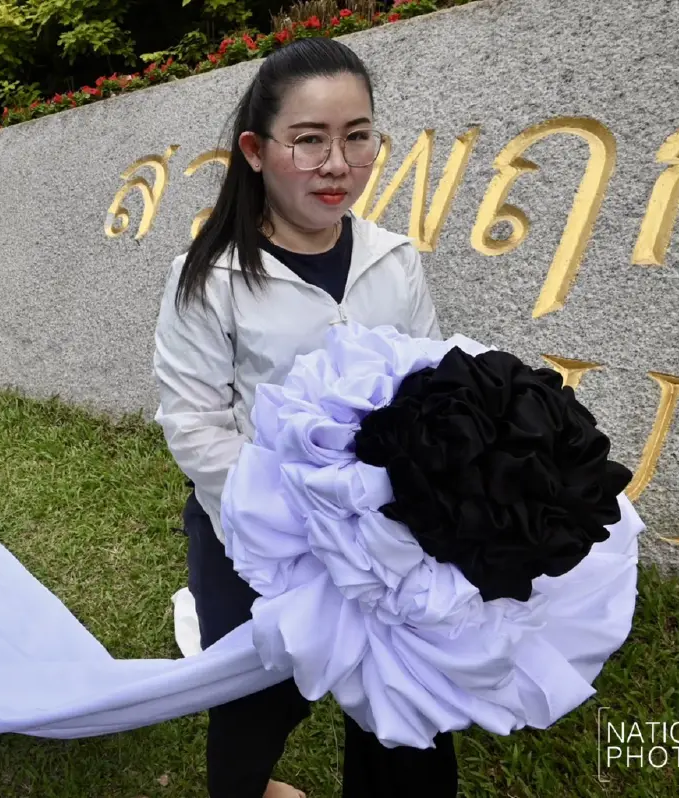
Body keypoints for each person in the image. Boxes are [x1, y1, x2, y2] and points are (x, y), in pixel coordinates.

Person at [152, 39, 457, 798]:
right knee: (254, 705)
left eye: (357, 136)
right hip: (258, 534)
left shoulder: (393, 257)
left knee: (403, 705)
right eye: (310, 140)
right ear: (256, 150)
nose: (337, 164)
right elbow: (194, 422)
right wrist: (291, 517)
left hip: (385, 532)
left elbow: (427, 385)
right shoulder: (210, 275)